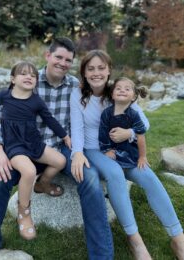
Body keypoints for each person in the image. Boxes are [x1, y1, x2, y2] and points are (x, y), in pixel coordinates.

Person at [0, 38, 117, 260]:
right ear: (48, 56)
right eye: (58, 57)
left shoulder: (76, 85)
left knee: (90, 178)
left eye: (68, 60)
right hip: (24, 149)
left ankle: (102, 256)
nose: (63, 63)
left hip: (59, 149)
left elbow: (97, 104)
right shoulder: (27, 78)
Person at [70, 50, 184, 260]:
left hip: (123, 149)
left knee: (148, 175)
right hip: (94, 149)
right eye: (91, 69)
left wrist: (129, 133)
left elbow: (144, 123)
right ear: (84, 73)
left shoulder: (119, 91)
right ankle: (135, 240)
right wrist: (77, 153)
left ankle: (178, 237)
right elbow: (76, 128)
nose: (96, 73)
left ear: (109, 70)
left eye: (101, 68)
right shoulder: (78, 95)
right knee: (114, 172)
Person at [0, 61, 71, 240]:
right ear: (13, 79)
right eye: (23, 74)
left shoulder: (36, 101)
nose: (29, 77)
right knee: (29, 170)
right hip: (15, 146)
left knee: (60, 161)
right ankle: (24, 212)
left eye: (33, 75)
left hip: (34, 142)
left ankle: (43, 183)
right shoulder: (3, 96)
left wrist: (64, 136)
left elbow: (50, 120)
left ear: (36, 81)